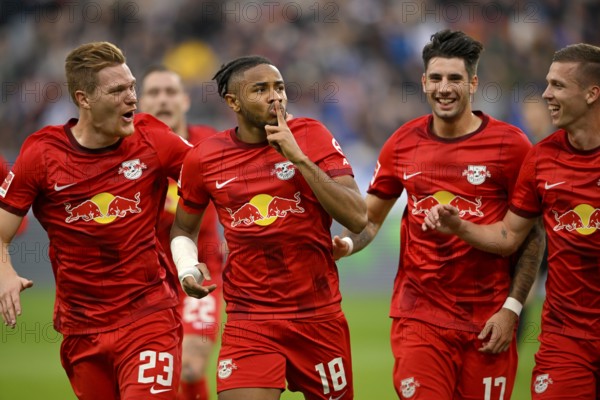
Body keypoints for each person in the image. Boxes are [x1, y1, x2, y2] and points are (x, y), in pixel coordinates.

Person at [332, 30, 545, 399]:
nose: (444, 88)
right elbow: (371, 220)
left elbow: (533, 234)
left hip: (486, 319)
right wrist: (349, 245)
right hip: (420, 316)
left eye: (455, 79)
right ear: (424, 82)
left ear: (473, 83)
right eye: (436, 78)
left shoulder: (511, 146)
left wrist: (512, 308)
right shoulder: (402, 143)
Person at [0, 41, 194, 399]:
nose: (132, 98)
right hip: (81, 329)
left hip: (149, 315)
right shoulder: (42, 154)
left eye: (132, 86)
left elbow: (217, 177)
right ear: (84, 98)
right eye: (118, 90)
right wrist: (5, 272)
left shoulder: (152, 138)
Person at [170, 55, 367, 400]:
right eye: (260, 89)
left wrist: (299, 158)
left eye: (279, 87)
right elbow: (183, 229)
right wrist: (187, 268)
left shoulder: (312, 136)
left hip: (318, 316)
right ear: (233, 102)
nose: (275, 96)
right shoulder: (204, 158)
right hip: (251, 319)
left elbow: (357, 217)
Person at [423, 43, 600, 399]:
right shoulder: (543, 158)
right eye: (547, 84)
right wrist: (459, 226)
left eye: (558, 86)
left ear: (592, 93)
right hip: (566, 338)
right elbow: (509, 235)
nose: (547, 94)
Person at [140, 65, 223, 400]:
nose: (163, 100)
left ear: (185, 101)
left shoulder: (208, 144)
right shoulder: (126, 151)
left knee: (189, 366)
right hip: (145, 283)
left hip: (201, 275)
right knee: (160, 376)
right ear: (140, 101)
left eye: (171, 92)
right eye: (154, 93)